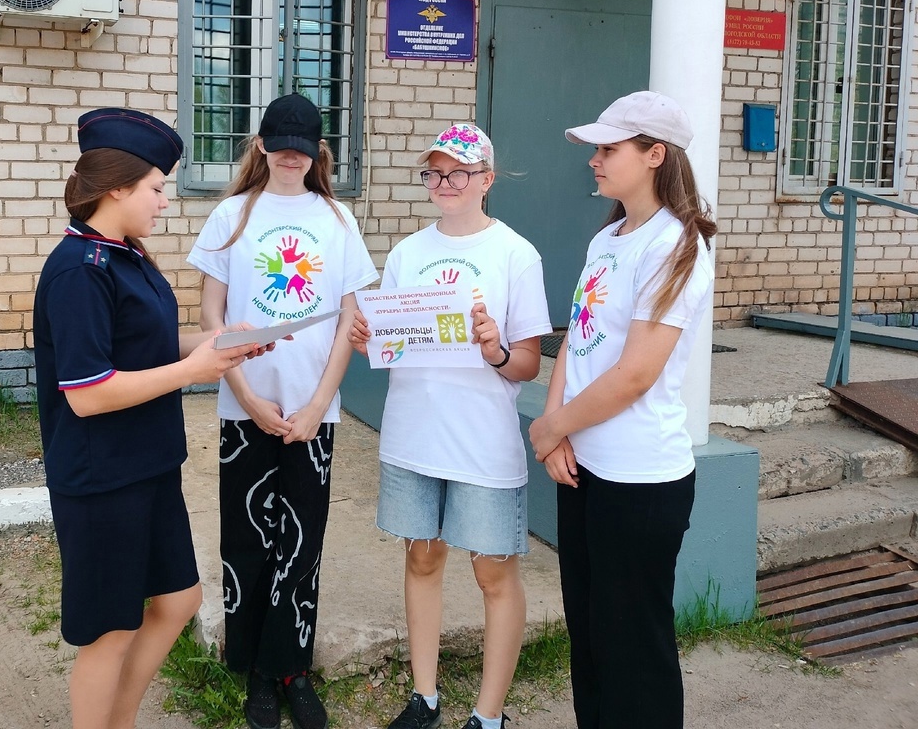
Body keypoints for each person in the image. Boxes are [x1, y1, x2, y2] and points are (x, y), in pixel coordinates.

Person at [33, 107, 269, 729]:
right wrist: (194, 371)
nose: (165, 201)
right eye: (156, 188)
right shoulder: (79, 272)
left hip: (148, 464)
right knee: (109, 633)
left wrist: (217, 342)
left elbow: (145, 349)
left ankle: (120, 720)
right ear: (117, 187)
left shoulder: (125, 256)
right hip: (101, 478)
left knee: (180, 600)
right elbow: (88, 394)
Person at [350, 123, 551, 729]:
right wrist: (369, 339)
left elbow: (528, 362)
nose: (445, 183)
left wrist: (495, 349)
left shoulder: (515, 254)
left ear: (486, 180)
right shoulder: (408, 253)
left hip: (481, 441)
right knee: (421, 560)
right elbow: (394, 344)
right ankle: (425, 698)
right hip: (414, 435)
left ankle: (488, 716)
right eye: (435, 173)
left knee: (493, 572)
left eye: (459, 172)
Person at [187, 93, 378, 729]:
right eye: (280, 146)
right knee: (246, 536)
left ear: (318, 152)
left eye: (302, 148)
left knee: (301, 541)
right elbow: (212, 313)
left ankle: (290, 667)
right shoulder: (231, 215)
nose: (291, 157)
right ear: (262, 146)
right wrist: (243, 392)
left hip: (312, 413)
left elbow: (350, 316)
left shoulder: (337, 219)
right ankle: (252, 669)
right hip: (245, 406)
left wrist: (321, 402)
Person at [527, 91, 716, 729]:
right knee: (590, 637)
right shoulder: (608, 238)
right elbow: (575, 343)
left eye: (609, 149)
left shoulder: (674, 247)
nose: (595, 160)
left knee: (634, 649)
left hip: (640, 480)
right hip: (584, 468)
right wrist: (557, 435)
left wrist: (551, 426)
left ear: (655, 155)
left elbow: (635, 374)